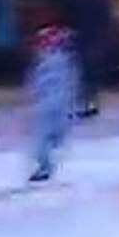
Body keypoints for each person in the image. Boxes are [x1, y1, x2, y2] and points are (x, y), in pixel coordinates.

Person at [26, 23, 78, 183]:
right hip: (50, 106)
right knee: (46, 140)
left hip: (54, 106)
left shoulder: (57, 62)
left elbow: (64, 85)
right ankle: (45, 166)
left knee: (47, 139)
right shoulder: (50, 62)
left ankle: (46, 166)